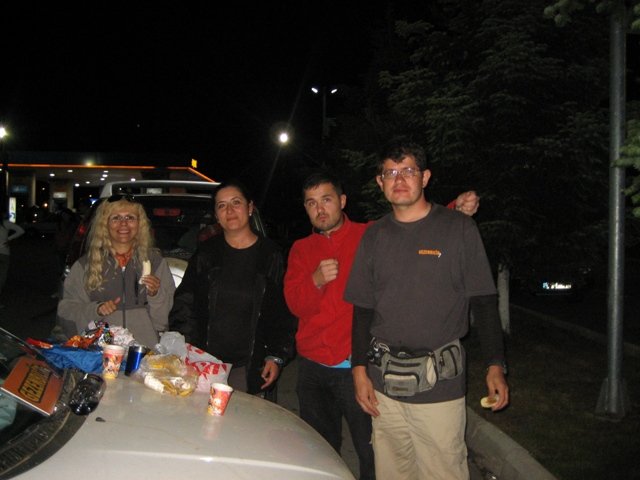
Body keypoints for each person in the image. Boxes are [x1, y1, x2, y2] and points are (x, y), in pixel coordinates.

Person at [283, 171, 480, 480]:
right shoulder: (301, 249)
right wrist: (315, 281)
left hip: (357, 368)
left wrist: (456, 207)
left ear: (342, 201)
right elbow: (295, 304)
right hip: (313, 370)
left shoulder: (370, 234)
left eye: (326, 200)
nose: (319, 209)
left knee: (373, 453)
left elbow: (412, 221)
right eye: (311, 203)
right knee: (319, 453)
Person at [344, 138, 509, 480]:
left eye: (408, 170)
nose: (399, 179)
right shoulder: (374, 236)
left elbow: (484, 301)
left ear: (426, 177)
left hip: (439, 390)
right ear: (380, 182)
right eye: (391, 173)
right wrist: (359, 370)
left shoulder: (458, 228)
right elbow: (363, 309)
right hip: (384, 388)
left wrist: (495, 364)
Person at [169, 180, 295, 394]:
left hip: (248, 365)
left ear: (250, 207)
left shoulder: (270, 254)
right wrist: (185, 350)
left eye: (236, 202)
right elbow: (185, 304)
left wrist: (276, 355)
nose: (229, 211)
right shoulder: (207, 253)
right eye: (222, 205)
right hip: (204, 363)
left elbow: (282, 312)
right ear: (216, 215)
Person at [57, 194, 175, 348]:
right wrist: (96, 309)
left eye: (130, 218)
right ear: (104, 224)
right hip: (100, 353)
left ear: (140, 224)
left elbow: (163, 321)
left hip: (143, 352)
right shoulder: (85, 265)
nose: (123, 224)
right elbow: (66, 311)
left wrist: (155, 295)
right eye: (116, 218)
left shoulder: (156, 263)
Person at [0, 215, 25, 308]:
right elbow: (21, 230)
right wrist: (9, 239)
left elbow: (21, 230)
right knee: (2, 278)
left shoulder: (5, 223)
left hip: (4, 253)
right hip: (4, 252)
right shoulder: (5, 223)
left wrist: (9, 239)